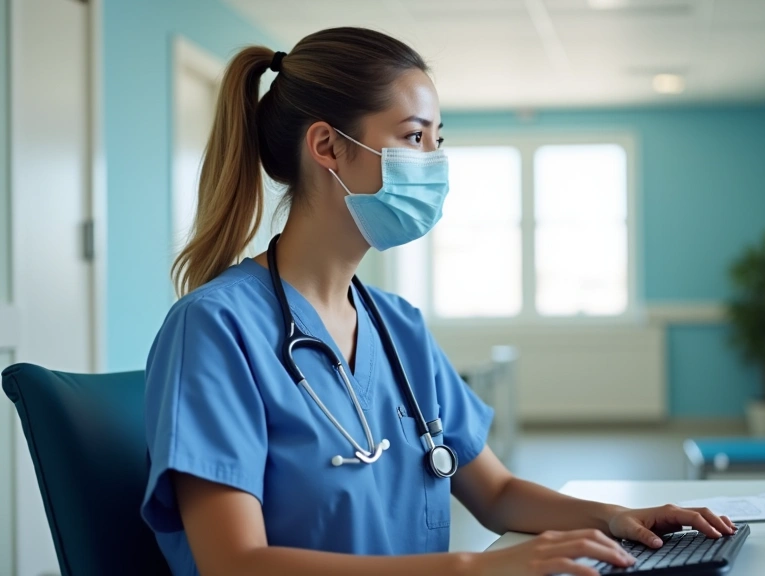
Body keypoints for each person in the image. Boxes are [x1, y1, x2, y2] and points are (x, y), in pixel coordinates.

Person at [142, 26, 735, 576]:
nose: (434, 163)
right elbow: (234, 563)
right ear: (327, 145)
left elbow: (496, 493)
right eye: (413, 137)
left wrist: (613, 517)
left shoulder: (397, 326)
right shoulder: (216, 329)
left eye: (436, 141)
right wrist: (469, 569)